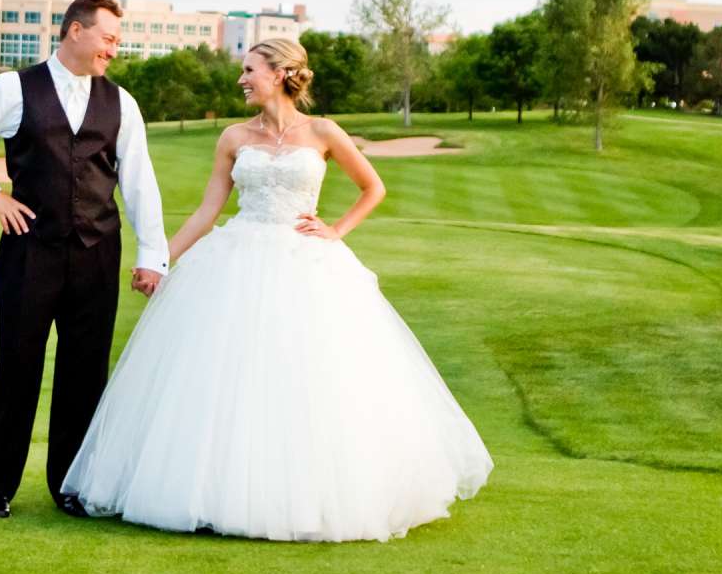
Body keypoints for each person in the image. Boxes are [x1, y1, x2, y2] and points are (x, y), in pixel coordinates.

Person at [61, 36, 492, 541]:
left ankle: (310, 496)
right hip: (236, 259)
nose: (241, 79)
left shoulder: (324, 131)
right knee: (226, 379)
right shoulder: (233, 138)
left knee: (310, 378)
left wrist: (336, 230)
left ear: (281, 73)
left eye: (249, 70)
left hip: (306, 263)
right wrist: (158, 261)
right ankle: (214, 493)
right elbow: (206, 213)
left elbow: (373, 188)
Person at [0, 0, 167, 519]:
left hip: (97, 252)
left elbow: (139, 182)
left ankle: (73, 487)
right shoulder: (13, 88)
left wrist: (153, 254)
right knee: (17, 367)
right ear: (75, 32)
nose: (115, 47)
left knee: (86, 374)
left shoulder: (121, 102)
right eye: (108, 37)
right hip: (28, 253)